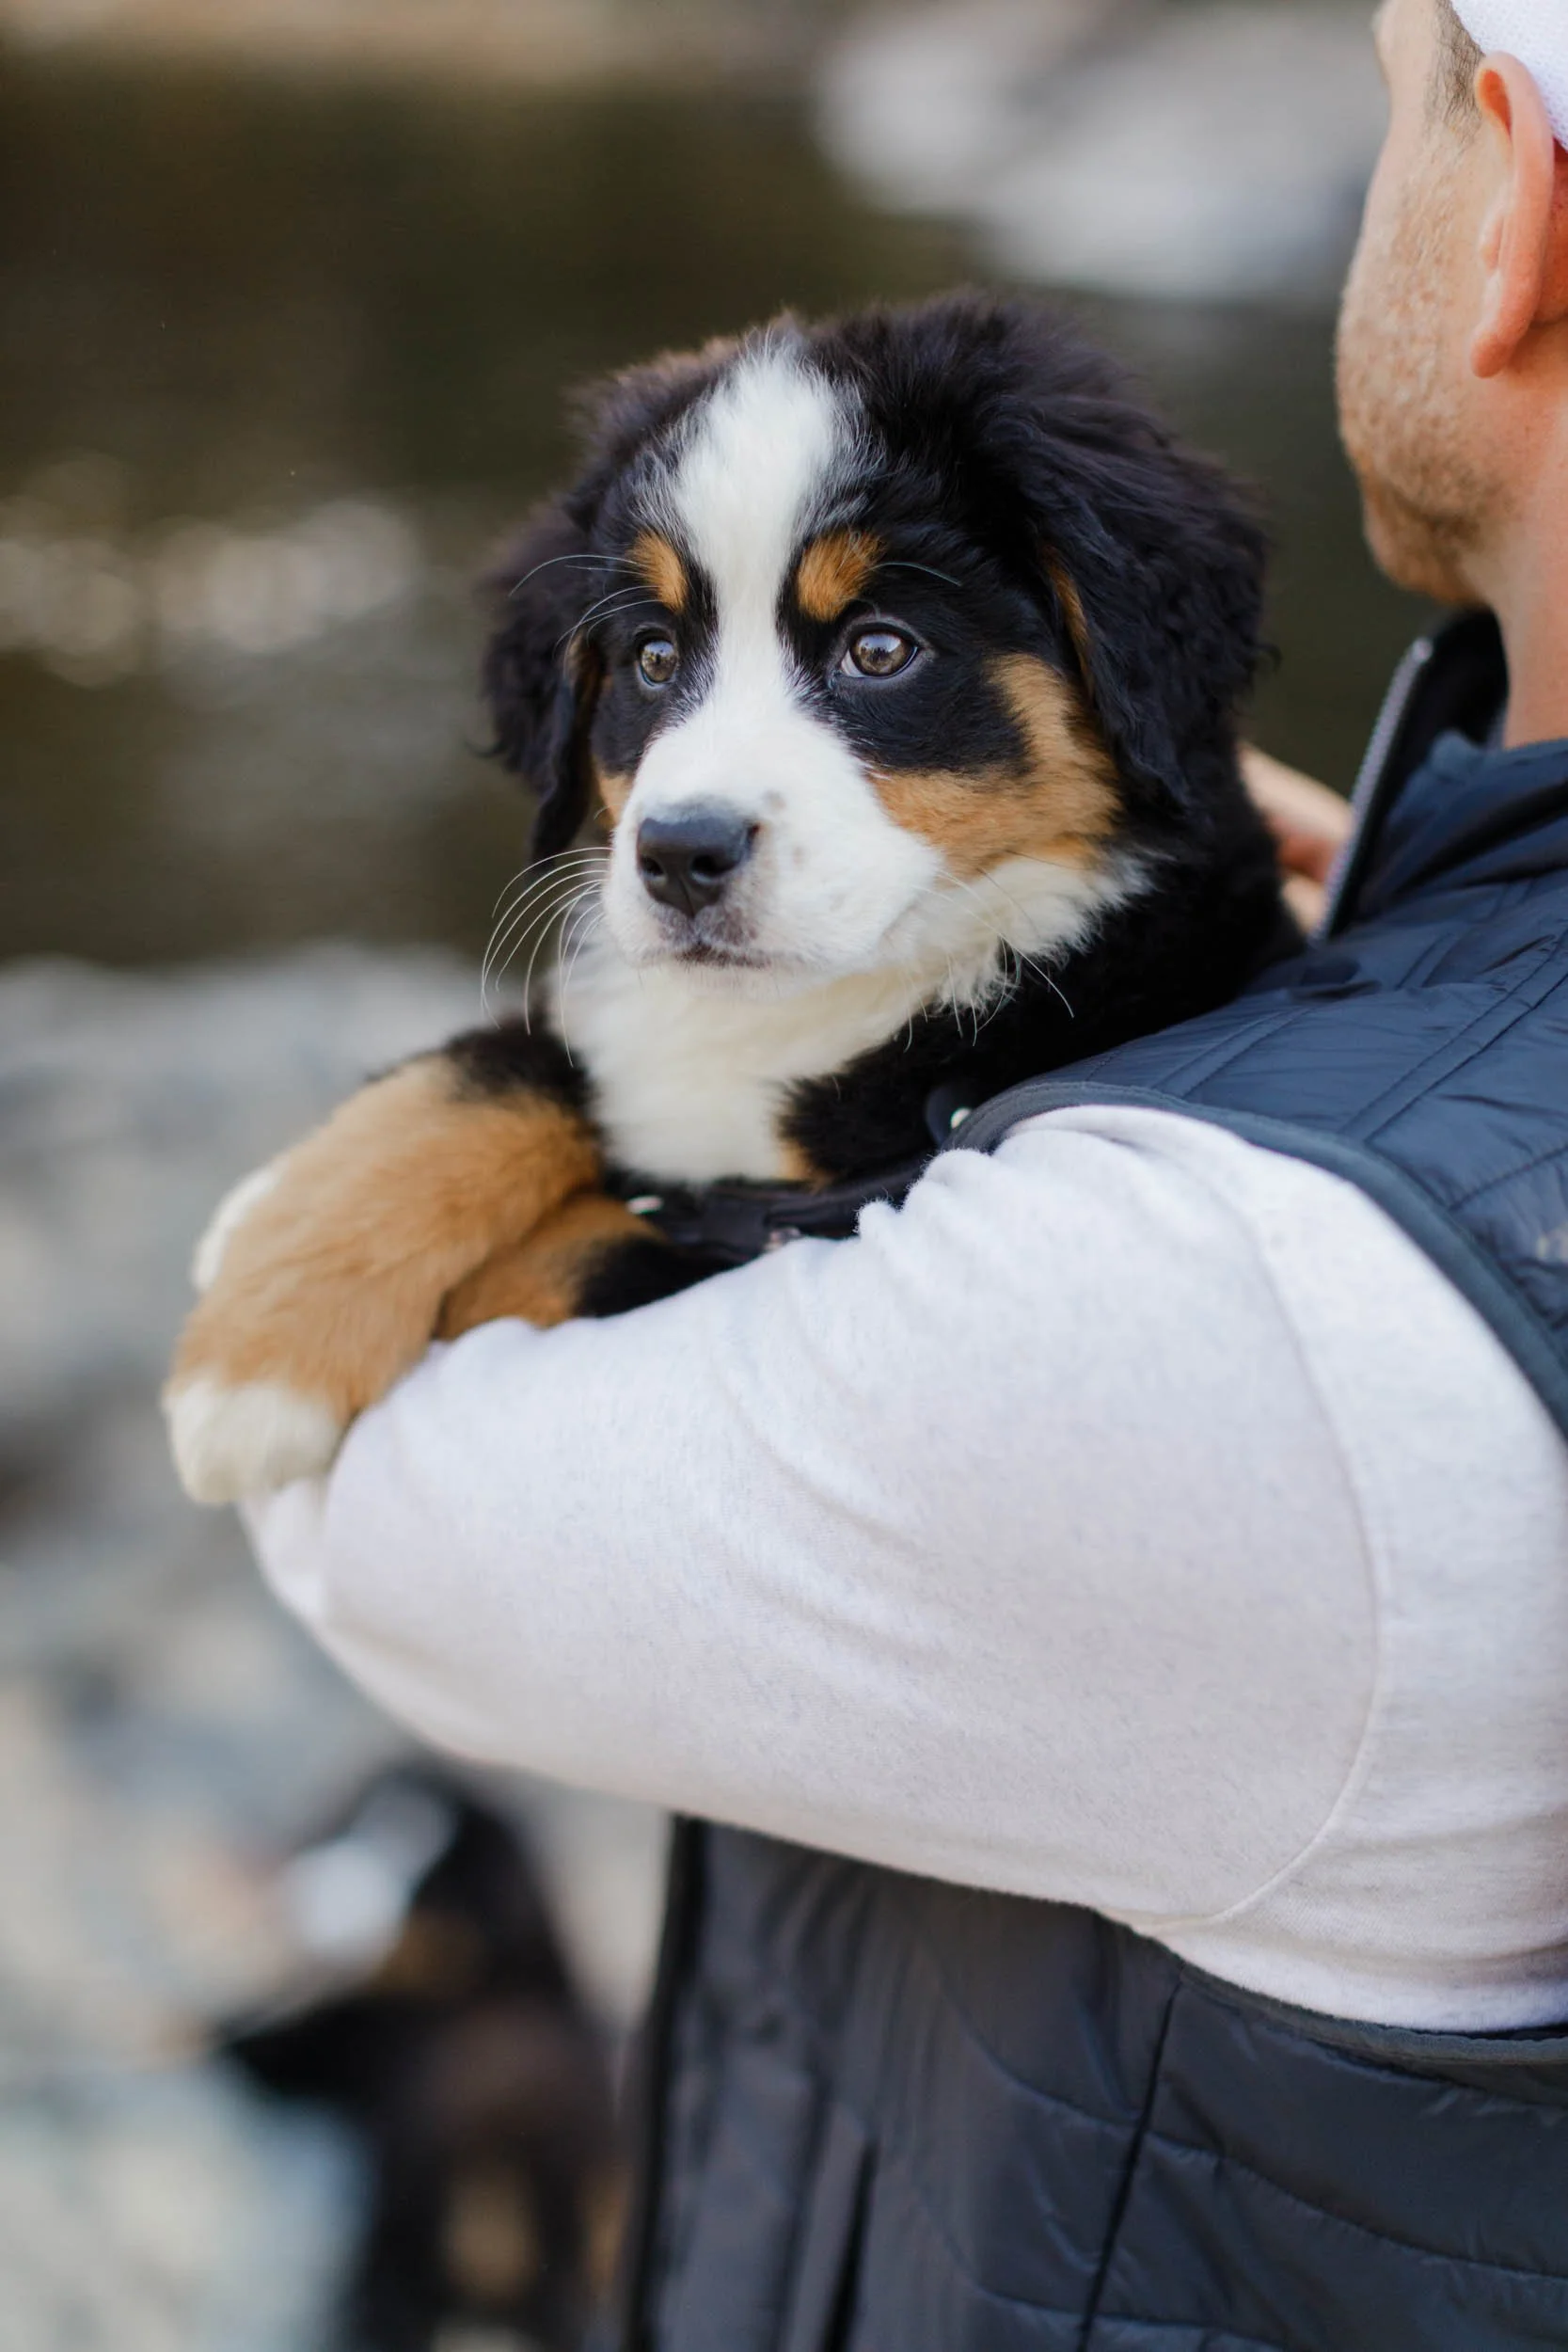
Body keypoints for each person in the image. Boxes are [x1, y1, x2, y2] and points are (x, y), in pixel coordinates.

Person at [244, 2, 1568, 2342]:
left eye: (866, 641)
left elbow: (334, 1482)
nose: (682, 782)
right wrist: (1368, 923)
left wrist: (486, 1130)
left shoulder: (1223, 1304)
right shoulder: (1435, 902)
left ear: (1515, 199)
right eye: (640, 670)